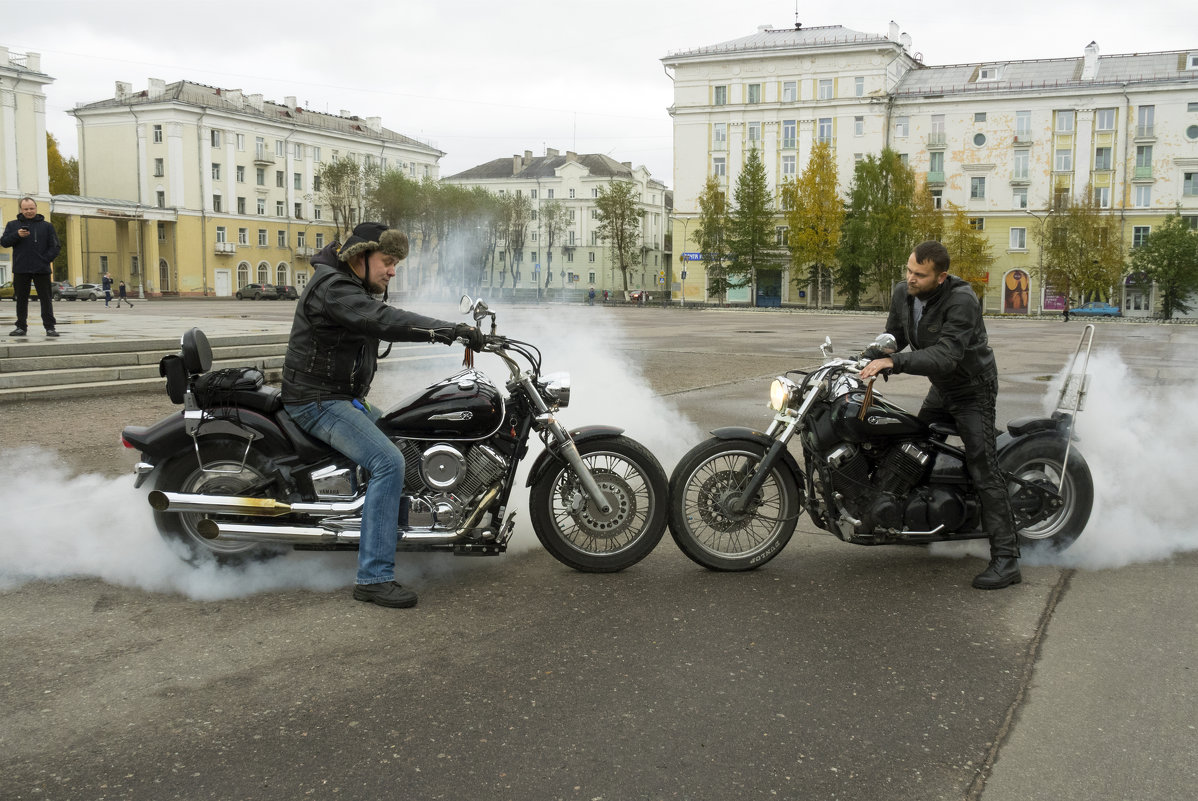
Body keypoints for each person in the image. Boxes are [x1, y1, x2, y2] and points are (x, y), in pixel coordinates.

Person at [282, 222, 484, 609]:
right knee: (388, 461)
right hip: (317, 400)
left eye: (395, 264)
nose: (392, 271)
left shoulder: (349, 285)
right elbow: (383, 320)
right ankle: (373, 577)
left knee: (408, 441)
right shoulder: (335, 288)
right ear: (360, 257)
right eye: (387, 262)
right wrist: (449, 331)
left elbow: (381, 317)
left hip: (340, 396)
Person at [859, 240, 1021, 590]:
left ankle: (1007, 559)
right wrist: (871, 354)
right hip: (942, 387)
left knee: (983, 466)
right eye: (909, 270)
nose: (911, 278)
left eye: (920, 274)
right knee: (913, 448)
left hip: (971, 390)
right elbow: (895, 337)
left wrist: (894, 362)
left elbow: (947, 354)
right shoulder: (904, 292)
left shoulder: (962, 300)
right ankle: (922, 519)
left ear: (941, 276)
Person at [2, 197, 61, 337]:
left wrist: (45, 259)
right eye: (26, 209)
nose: (29, 211)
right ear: (21, 210)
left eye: (31, 208)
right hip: (21, 269)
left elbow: (55, 246)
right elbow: (4, 242)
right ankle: (21, 327)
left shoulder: (47, 226)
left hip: (42, 269)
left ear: (36, 208)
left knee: (46, 299)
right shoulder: (12, 225)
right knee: (21, 299)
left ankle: (50, 327)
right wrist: (17, 235)